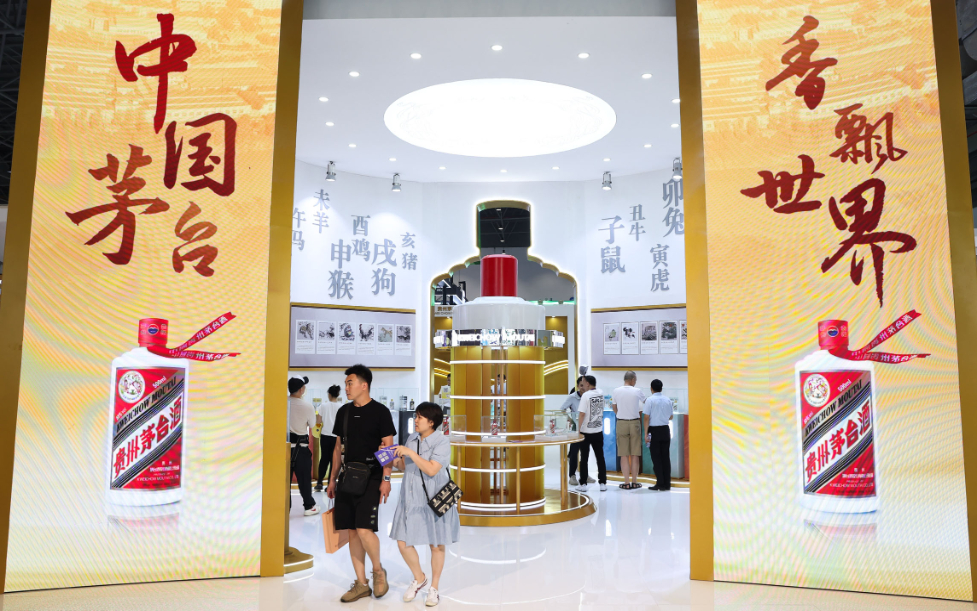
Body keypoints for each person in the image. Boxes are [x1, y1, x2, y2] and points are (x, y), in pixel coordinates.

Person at [327, 365, 397, 603]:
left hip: (372, 476)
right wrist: (332, 479)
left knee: (365, 529)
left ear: (364, 385)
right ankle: (361, 584)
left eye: (350, 383)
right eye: (346, 383)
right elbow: (338, 448)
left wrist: (386, 479)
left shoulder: (380, 412)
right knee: (352, 531)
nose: (346, 387)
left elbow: (389, 447)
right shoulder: (344, 412)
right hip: (348, 477)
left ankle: (378, 571)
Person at [390, 402, 460, 607]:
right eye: (416, 416)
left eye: (420, 417)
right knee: (402, 542)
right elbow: (405, 467)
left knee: (436, 545)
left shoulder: (442, 441)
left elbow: (431, 469)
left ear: (431, 422)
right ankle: (420, 578)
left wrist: (410, 453)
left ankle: (434, 588)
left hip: (434, 498)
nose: (416, 420)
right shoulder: (411, 439)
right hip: (410, 498)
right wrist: (392, 458)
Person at [288, 376, 322, 516]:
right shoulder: (307, 406)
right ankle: (309, 506)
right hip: (301, 448)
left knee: (284, 481)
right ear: (302, 389)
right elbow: (313, 426)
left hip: (284, 448)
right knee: (304, 480)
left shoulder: (281, 403)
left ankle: (284, 507)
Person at [611, 371, 647, 490]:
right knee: (635, 454)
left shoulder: (616, 391)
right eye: (635, 380)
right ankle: (635, 482)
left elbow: (614, 407)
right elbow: (646, 402)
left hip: (621, 422)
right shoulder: (637, 391)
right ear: (632, 379)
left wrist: (620, 414)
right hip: (635, 422)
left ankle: (626, 482)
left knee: (624, 454)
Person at [575, 375, 607, 493]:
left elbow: (582, 414)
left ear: (588, 383)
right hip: (598, 430)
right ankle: (602, 483)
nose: (582, 385)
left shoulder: (586, 396)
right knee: (600, 457)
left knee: (584, 458)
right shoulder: (601, 393)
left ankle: (583, 483)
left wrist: (578, 430)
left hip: (586, 432)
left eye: (583, 383)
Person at [561, 377, 593, 486]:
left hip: (587, 427)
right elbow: (562, 409)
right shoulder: (572, 397)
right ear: (578, 386)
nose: (583, 387)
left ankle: (585, 475)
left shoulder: (589, 396)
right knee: (574, 452)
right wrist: (570, 419)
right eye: (581, 385)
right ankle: (572, 476)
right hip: (576, 427)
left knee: (585, 452)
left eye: (585, 385)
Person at [643, 379, 674, 492]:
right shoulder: (668, 400)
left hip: (654, 431)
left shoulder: (650, 400)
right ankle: (667, 484)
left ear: (651, 389)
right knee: (665, 457)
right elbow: (671, 416)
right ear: (661, 388)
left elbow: (646, 417)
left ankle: (660, 483)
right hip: (665, 429)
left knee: (656, 458)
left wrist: (646, 433)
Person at [314, 385, 343, 492]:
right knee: (333, 460)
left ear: (329, 394)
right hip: (337, 437)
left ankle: (319, 483)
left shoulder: (323, 406)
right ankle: (330, 484)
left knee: (324, 459)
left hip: (325, 435)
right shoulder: (342, 407)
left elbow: (318, 422)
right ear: (338, 394)